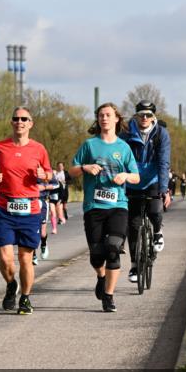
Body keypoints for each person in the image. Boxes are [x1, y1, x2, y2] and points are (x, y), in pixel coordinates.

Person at [68, 103, 140, 312]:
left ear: (117, 119)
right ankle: (101, 276)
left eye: (108, 115)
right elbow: (72, 171)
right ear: (97, 120)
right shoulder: (89, 145)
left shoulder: (123, 147)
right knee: (97, 255)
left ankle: (108, 296)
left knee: (113, 247)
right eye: (101, 115)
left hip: (118, 205)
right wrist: (85, 167)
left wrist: (125, 175)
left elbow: (136, 177)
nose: (104, 118)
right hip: (94, 207)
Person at [0, 106, 53, 315]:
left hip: (30, 208)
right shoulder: (0, 147)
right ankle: (11, 284)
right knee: (5, 258)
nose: (20, 122)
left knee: (25, 258)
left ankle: (25, 298)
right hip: (5, 208)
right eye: (16, 118)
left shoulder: (39, 149)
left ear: (30, 123)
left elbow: (49, 173)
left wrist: (44, 175)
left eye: (24, 119)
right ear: (11, 122)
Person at [120, 101, 171, 284]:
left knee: (155, 210)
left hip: (153, 181)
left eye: (148, 115)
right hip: (132, 182)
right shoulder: (126, 134)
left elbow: (164, 162)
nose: (144, 118)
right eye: (141, 114)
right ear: (136, 116)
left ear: (153, 117)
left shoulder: (161, 134)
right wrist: (120, 187)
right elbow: (120, 161)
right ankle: (134, 265)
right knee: (133, 226)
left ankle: (157, 232)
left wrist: (164, 189)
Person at [54, 162, 69, 226]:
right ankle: (60, 218)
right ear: (57, 166)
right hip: (57, 191)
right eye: (59, 166)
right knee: (59, 204)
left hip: (64, 191)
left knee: (64, 205)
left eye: (61, 166)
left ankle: (64, 214)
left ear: (63, 167)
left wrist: (65, 182)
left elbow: (70, 180)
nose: (60, 167)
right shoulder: (55, 173)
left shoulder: (66, 173)